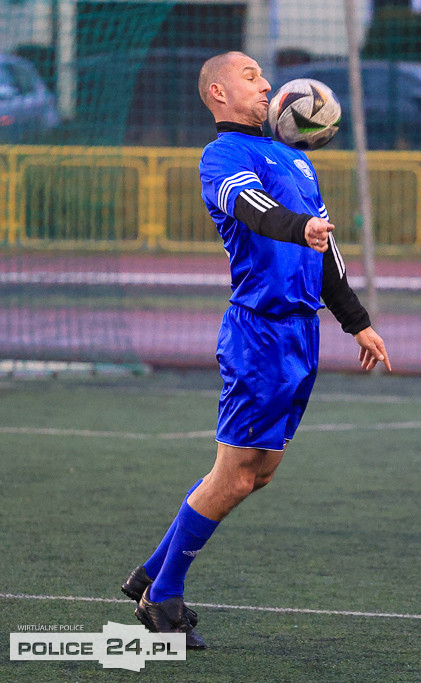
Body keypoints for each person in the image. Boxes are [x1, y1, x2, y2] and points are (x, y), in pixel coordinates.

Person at [119, 51, 391, 648]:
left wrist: (358, 322)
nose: (267, 83)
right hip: (260, 333)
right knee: (236, 475)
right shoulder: (224, 156)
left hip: (301, 335)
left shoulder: (298, 161)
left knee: (258, 472)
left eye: (264, 76)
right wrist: (300, 227)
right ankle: (161, 598)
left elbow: (327, 257)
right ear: (217, 93)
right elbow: (250, 207)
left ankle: (150, 572)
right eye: (250, 76)